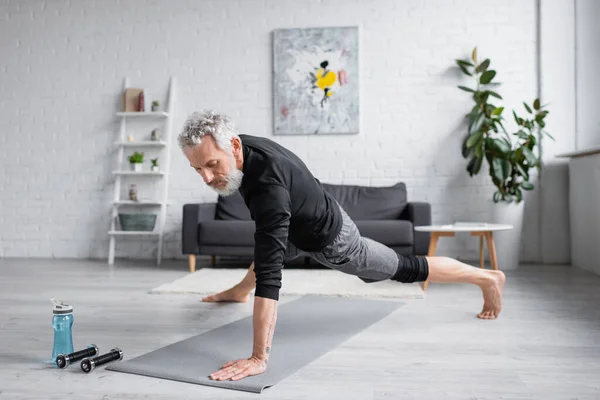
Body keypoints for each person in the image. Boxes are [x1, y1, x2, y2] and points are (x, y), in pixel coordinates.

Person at [177, 109, 506, 382]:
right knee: (266, 253)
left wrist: (258, 358)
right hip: (300, 221)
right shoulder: (244, 150)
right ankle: (238, 291)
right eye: (197, 169)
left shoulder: (268, 189)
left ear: (233, 146)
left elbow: (270, 281)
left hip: (332, 240)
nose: (206, 178)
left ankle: (487, 277)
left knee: (407, 268)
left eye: (212, 165)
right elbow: (267, 253)